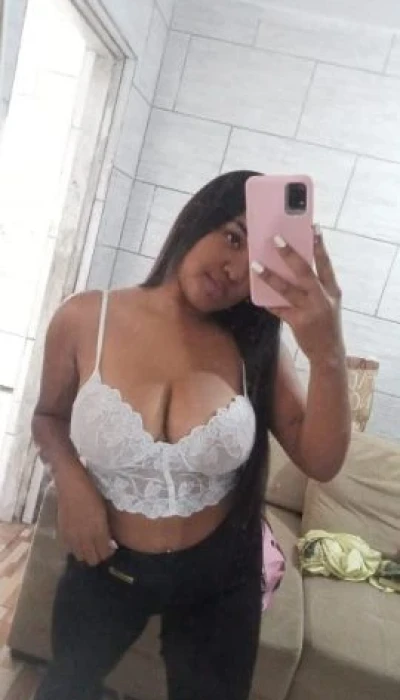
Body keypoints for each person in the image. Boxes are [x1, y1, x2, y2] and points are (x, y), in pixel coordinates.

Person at [32, 170, 351, 700]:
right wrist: (70, 480)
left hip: (221, 576)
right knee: (67, 686)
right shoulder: (86, 318)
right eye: (232, 236)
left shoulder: (257, 347)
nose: (235, 270)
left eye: (255, 261)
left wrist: (328, 352)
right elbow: (48, 417)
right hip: (105, 559)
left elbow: (321, 461)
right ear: (197, 217)